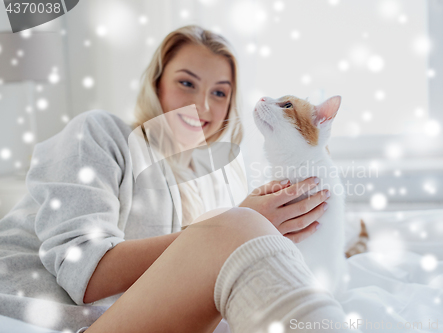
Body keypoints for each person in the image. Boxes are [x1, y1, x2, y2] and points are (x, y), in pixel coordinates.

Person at [0, 25, 351, 333]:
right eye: (187, 83)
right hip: (37, 316)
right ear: (157, 83)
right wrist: (227, 230)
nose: (202, 105)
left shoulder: (211, 179)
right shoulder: (98, 133)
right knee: (237, 227)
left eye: (219, 93)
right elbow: (86, 275)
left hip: (124, 320)